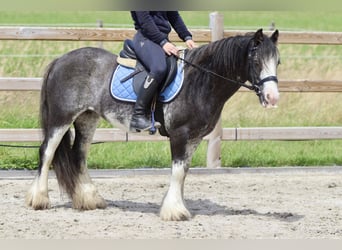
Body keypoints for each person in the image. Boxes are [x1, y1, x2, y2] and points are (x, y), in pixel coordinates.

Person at [129, 11, 197, 132]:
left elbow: (173, 15)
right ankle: (137, 115)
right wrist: (163, 42)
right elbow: (144, 20)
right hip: (145, 38)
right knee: (159, 68)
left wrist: (187, 37)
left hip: (160, 38)